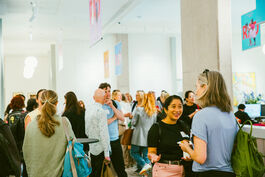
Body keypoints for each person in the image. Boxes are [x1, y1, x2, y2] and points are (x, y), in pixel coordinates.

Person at [179, 70, 238, 177]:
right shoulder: (230, 115)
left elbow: (200, 158)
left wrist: (186, 148)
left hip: (206, 173)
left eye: (197, 87)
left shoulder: (201, 116)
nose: (196, 92)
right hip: (229, 172)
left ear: (205, 87)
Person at [23, 90, 74, 177]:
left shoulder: (31, 124)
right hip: (59, 173)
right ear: (57, 103)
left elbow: (26, 152)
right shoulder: (64, 122)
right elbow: (74, 147)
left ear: (40, 102)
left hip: (35, 173)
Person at [147, 95, 190, 177]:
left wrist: (190, 155)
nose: (177, 110)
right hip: (163, 170)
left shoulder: (183, 125)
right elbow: (151, 152)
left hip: (182, 170)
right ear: (166, 110)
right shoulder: (156, 128)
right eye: (173, 107)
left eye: (180, 107)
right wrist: (153, 156)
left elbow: (188, 146)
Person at [99, 82, 128, 177]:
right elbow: (102, 123)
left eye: (109, 91)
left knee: (120, 168)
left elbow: (122, 118)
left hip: (114, 140)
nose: (108, 93)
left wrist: (112, 106)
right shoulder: (98, 105)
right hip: (102, 141)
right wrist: (114, 118)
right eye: (105, 91)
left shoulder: (115, 103)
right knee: (102, 170)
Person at [85, 89, 111, 177]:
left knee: (93, 173)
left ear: (93, 98)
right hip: (101, 148)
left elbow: (86, 130)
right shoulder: (101, 112)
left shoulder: (88, 110)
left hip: (91, 147)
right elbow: (104, 133)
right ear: (104, 98)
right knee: (100, 173)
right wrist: (107, 153)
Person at [131, 93, 157, 175]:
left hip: (138, 136)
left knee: (134, 153)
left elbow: (133, 123)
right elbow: (154, 124)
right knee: (146, 156)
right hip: (149, 137)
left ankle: (145, 166)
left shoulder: (139, 109)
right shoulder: (154, 112)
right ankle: (148, 173)